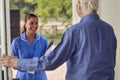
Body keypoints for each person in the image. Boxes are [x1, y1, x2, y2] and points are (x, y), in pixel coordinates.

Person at [1, 0, 117, 80]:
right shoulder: (109, 30)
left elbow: (50, 62)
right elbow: (110, 63)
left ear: (78, 6)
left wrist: (17, 62)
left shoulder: (75, 32)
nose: (34, 26)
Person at [10, 13, 48, 80]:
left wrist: (24, 64)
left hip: (40, 78)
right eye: (31, 23)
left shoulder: (44, 41)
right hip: (23, 78)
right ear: (25, 24)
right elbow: (13, 64)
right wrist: (32, 66)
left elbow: (47, 61)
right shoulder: (16, 42)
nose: (34, 26)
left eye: (36, 23)